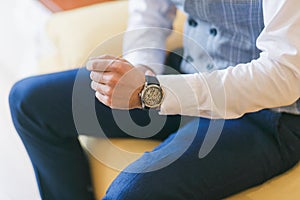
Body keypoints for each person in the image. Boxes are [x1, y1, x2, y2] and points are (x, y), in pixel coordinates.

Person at [9, 0, 300, 199]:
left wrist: (154, 92)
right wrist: (140, 71)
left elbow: (285, 76)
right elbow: (148, 12)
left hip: (269, 112)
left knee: (132, 193)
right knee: (28, 103)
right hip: (189, 69)